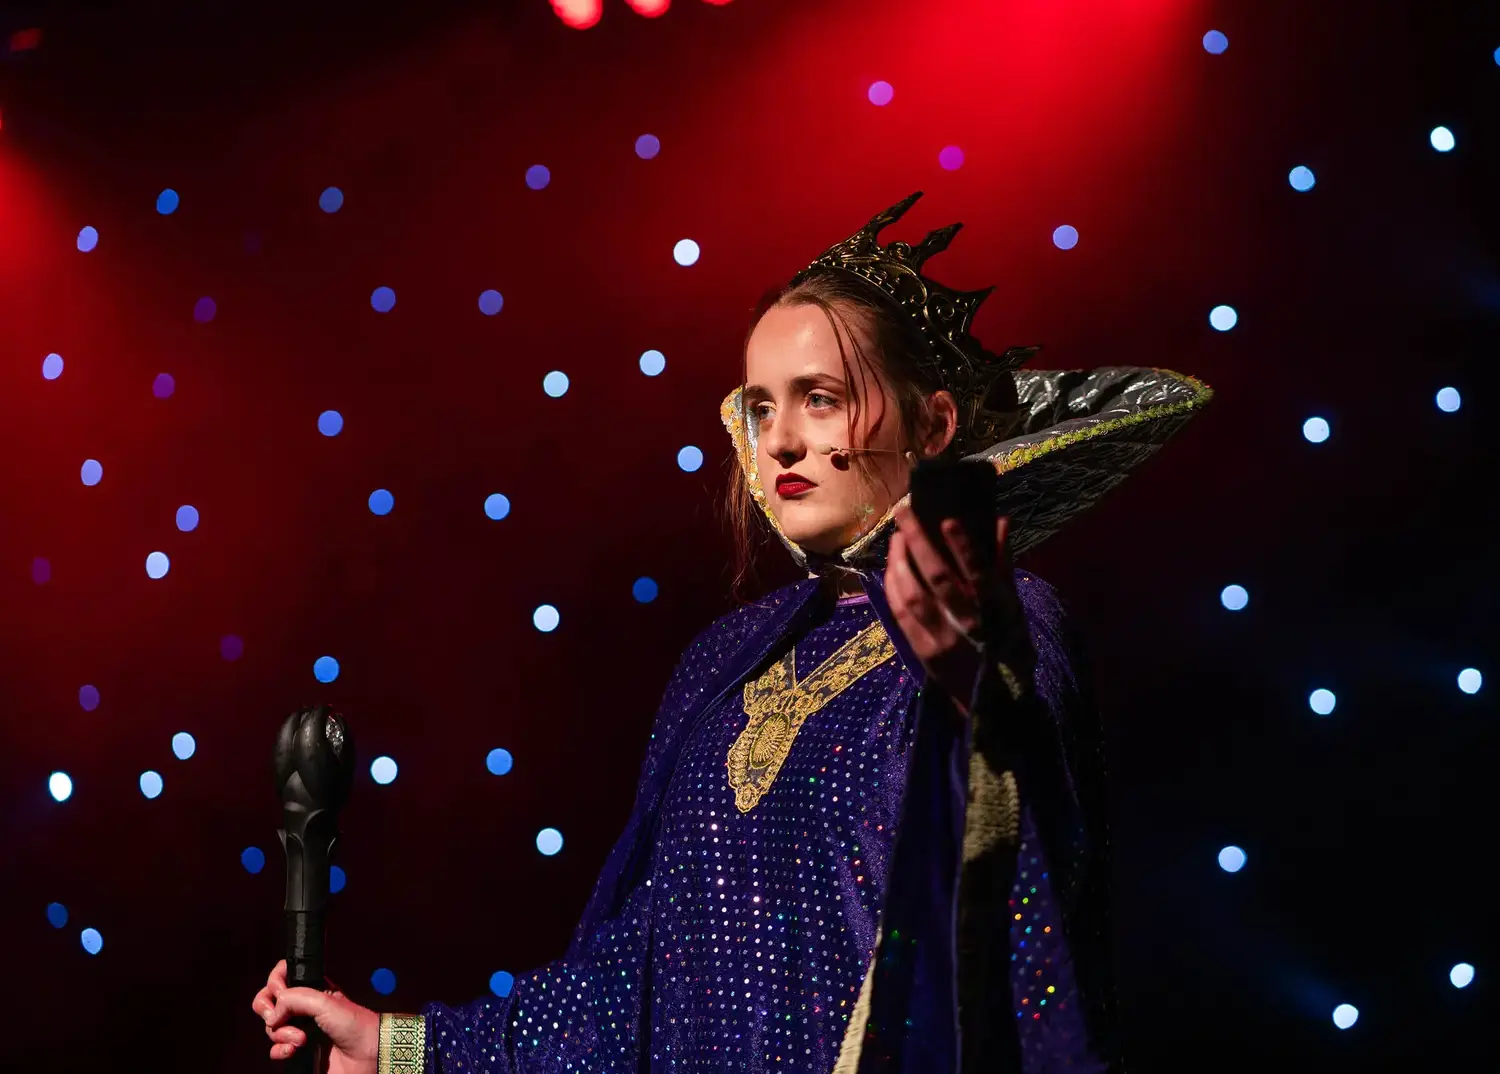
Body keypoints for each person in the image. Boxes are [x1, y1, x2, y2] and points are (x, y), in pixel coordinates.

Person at [252, 192, 1210, 1073]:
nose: (781, 439)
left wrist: (970, 680)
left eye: (819, 397)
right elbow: (639, 979)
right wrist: (402, 1044)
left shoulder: (1009, 618)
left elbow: (1007, 904)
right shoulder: (726, 661)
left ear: (934, 424)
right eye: (761, 407)